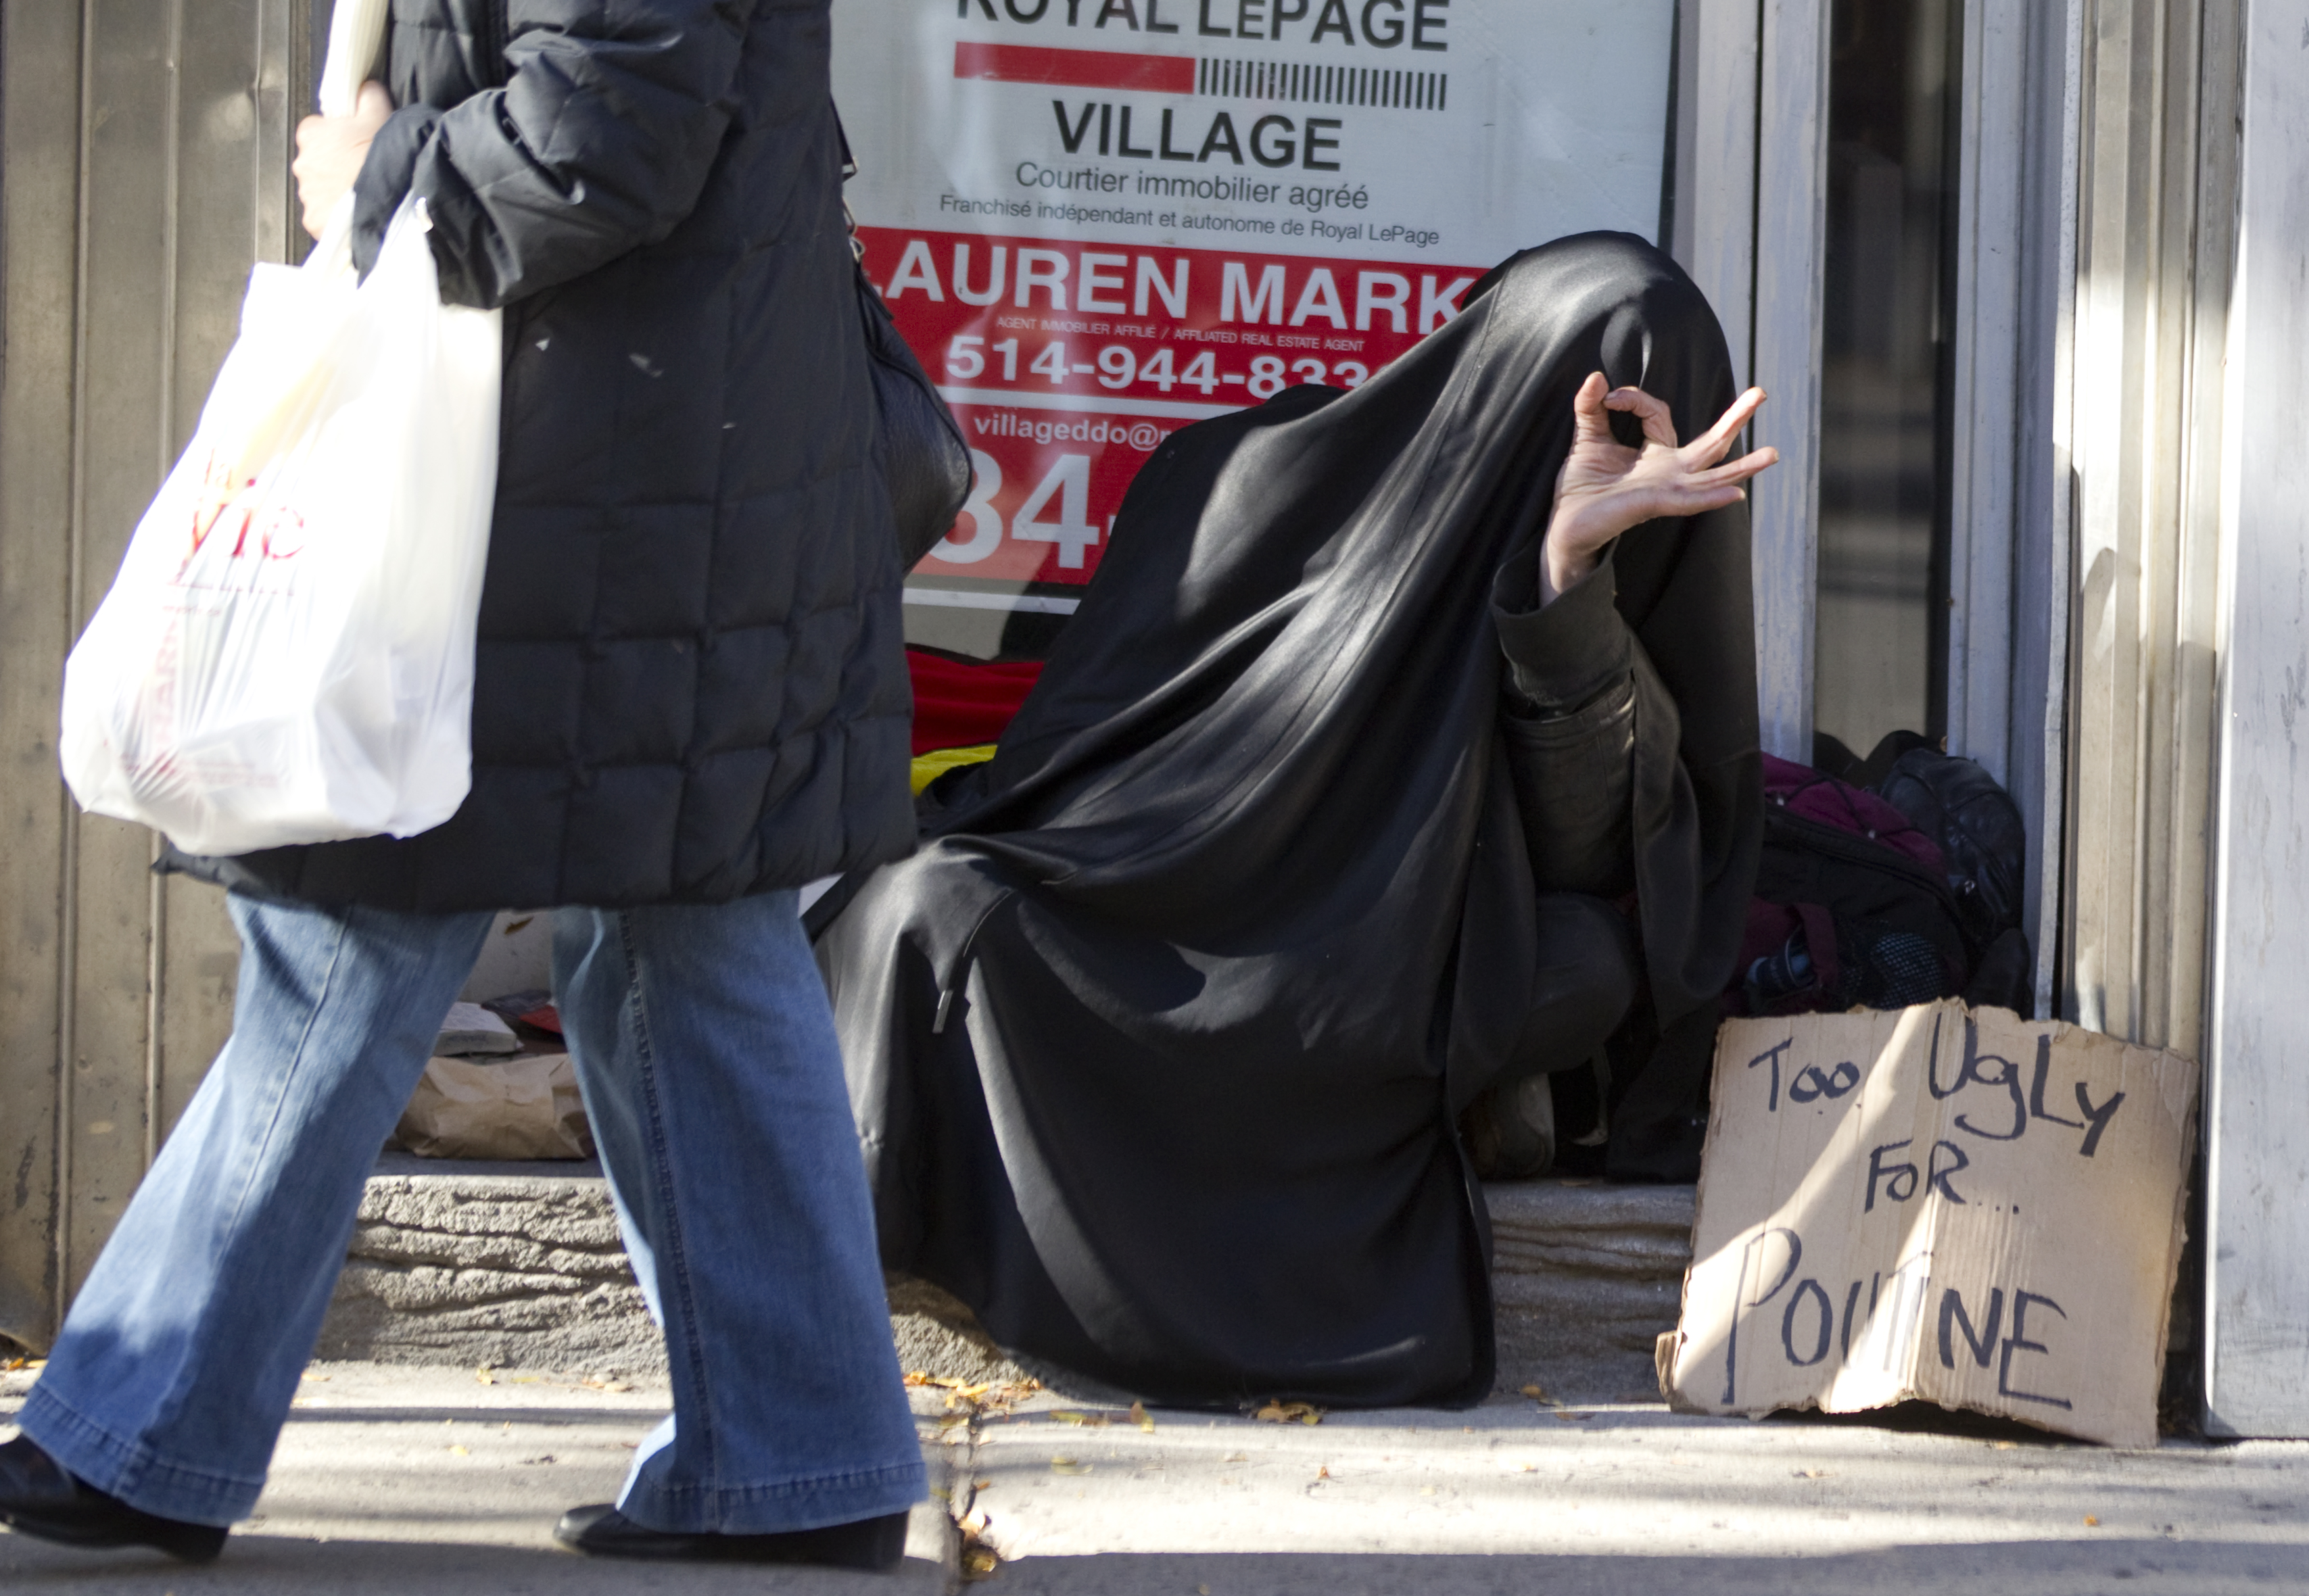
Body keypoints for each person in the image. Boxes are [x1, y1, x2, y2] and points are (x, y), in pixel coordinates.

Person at [0, 0, 925, 1568]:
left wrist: (383, 171)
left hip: (590, 477)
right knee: (688, 931)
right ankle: (801, 1452)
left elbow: (609, 119)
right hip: (663, 465)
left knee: (359, 902)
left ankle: (145, 1430)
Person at [814, 233, 1775, 1408]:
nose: (1616, 448)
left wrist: (1564, 580)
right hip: (1156, 915)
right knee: (937, 905)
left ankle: (1351, 1100)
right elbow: (1067, 768)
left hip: (1374, 961)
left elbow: (1592, 860)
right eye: (1590, 407)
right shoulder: (1250, 468)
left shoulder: (1586, 566)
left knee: (1590, 965)